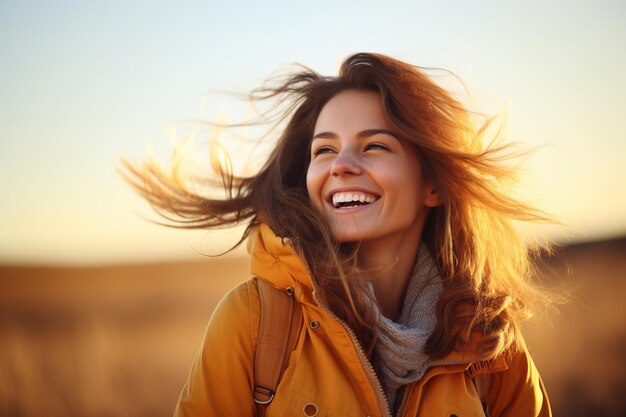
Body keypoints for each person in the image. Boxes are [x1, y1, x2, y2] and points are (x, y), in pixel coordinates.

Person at [123, 53, 553, 416]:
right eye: (324, 149)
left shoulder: (487, 340)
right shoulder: (254, 320)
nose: (340, 165)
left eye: (375, 146)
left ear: (434, 186)